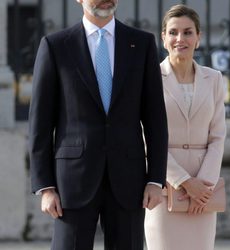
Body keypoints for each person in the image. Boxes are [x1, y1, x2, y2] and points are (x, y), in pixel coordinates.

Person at [28, 0, 168, 249]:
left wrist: (155, 180)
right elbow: (40, 122)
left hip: (129, 181)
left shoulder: (142, 43)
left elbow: (155, 118)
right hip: (72, 183)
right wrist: (45, 187)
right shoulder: (56, 46)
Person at [144, 4, 226, 250]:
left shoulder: (214, 79)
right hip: (165, 187)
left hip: (204, 193)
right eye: (173, 32)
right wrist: (184, 181)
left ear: (198, 38)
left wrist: (203, 185)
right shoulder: (149, 78)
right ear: (164, 38)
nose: (180, 39)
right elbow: (146, 136)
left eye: (188, 32)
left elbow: (218, 136)